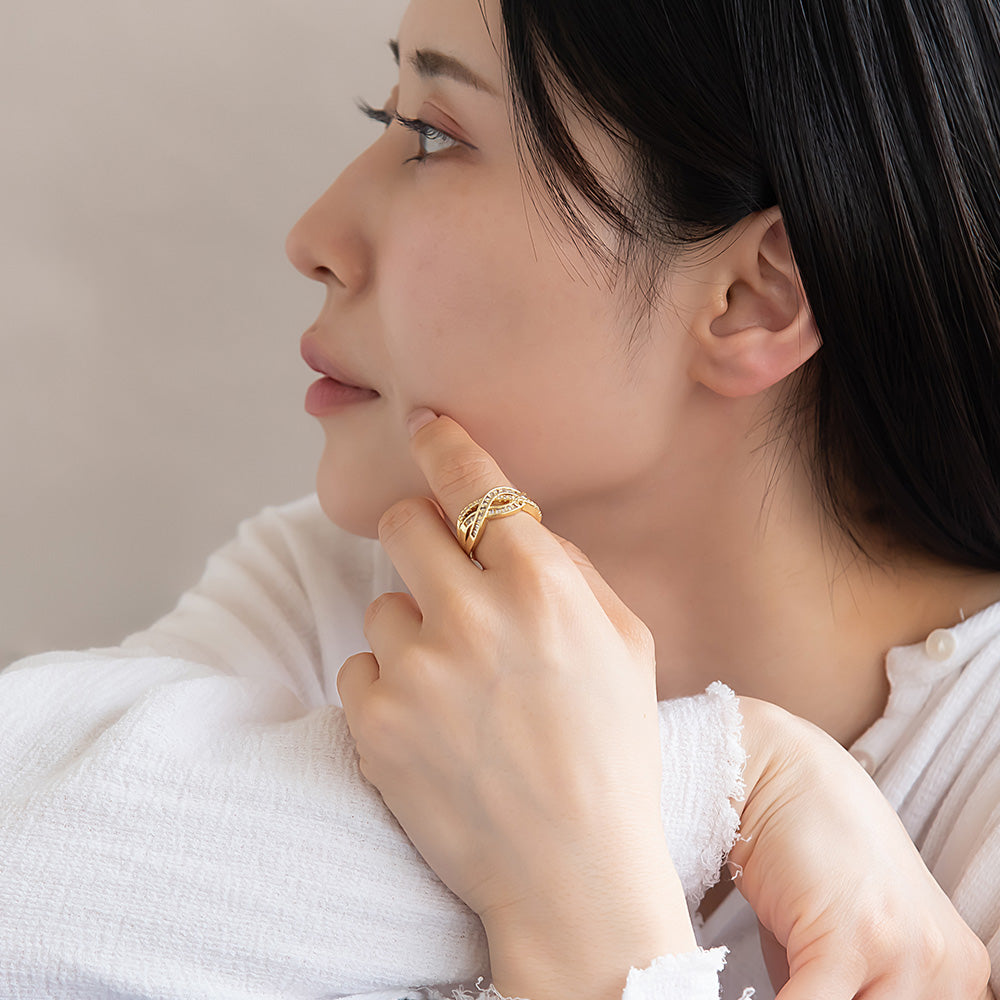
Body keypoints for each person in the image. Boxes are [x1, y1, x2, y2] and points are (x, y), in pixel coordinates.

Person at [1, 0, 998, 998]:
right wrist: (723, 782)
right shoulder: (357, 591)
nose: (314, 237)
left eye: (435, 135)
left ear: (752, 298)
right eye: (385, 115)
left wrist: (584, 889)